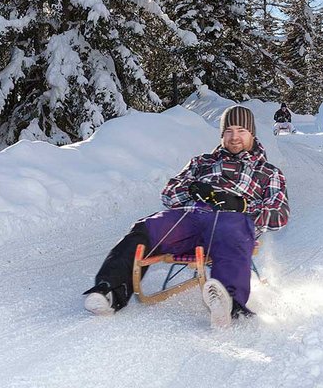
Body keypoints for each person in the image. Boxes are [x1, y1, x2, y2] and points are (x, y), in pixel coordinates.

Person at [83, 105, 289, 327]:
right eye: (228, 131)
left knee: (230, 228)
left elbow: (279, 215)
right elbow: (169, 194)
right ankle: (110, 290)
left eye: (241, 130)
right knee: (145, 228)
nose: (234, 137)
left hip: (233, 223)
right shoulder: (202, 162)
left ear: (252, 133)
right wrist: (192, 189)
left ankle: (227, 301)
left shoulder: (268, 172)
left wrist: (242, 205)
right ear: (222, 135)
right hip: (191, 218)